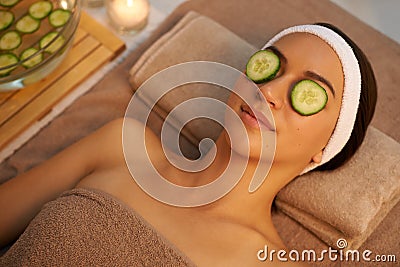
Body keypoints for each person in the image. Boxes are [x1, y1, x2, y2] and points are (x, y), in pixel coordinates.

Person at [0, 23, 376, 266]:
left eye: (307, 93)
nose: (270, 91)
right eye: (269, 67)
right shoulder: (121, 146)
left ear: (325, 148)